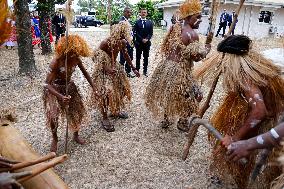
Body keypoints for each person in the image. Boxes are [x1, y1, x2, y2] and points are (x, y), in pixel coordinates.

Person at [194, 35, 284, 189]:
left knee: (240, 149)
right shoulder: (251, 67)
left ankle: (235, 177)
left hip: (272, 119)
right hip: (274, 117)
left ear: (230, 58)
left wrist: (235, 138)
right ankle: (232, 175)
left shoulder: (244, 76)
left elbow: (259, 112)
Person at [144, 0, 211, 131]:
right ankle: (183, 121)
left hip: (166, 68)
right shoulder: (193, 34)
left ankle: (167, 118)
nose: (201, 20)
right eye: (198, 17)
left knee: (169, 93)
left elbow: (166, 47)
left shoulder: (175, 28)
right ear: (188, 17)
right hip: (180, 70)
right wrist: (207, 49)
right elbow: (196, 58)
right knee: (196, 95)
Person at [43, 34, 96, 152]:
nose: (75, 55)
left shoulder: (76, 59)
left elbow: (86, 73)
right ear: (66, 51)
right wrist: (61, 96)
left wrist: (94, 87)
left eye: (77, 52)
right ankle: (55, 138)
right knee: (53, 116)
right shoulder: (56, 62)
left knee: (79, 112)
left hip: (69, 87)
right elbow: (46, 84)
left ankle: (76, 134)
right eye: (73, 52)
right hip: (54, 89)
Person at [91, 21, 140, 132]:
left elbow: (125, 54)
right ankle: (104, 117)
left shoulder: (122, 42)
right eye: (124, 33)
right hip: (104, 70)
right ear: (119, 31)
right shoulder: (105, 43)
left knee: (122, 89)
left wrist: (133, 68)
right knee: (105, 93)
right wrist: (107, 69)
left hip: (115, 68)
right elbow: (95, 57)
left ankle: (115, 110)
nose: (126, 36)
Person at [133, 8, 153, 77]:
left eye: (145, 12)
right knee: (138, 57)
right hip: (139, 43)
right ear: (140, 13)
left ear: (146, 14)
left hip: (147, 44)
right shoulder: (137, 22)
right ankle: (137, 71)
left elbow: (151, 33)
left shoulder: (150, 23)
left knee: (146, 57)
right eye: (142, 12)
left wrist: (147, 39)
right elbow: (135, 33)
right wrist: (141, 39)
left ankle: (145, 71)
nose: (143, 13)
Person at [119, 7, 135, 78]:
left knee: (130, 57)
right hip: (124, 43)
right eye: (128, 12)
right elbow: (120, 33)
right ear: (124, 12)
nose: (129, 14)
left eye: (130, 12)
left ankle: (127, 72)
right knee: (122, 59)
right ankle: (120, 73)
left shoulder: (128, 21)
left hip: (130, 43)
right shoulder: (122, 21)